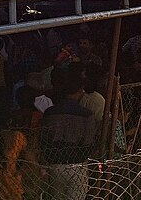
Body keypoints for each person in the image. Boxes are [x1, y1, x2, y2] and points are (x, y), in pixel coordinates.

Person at [39, 66, 97, 200]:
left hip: (55, 163)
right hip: (77, 163)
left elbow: (44, 138)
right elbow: (89, 141)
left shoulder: (50, 112)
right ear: (79, 91)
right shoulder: (86, 115)